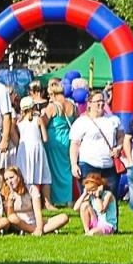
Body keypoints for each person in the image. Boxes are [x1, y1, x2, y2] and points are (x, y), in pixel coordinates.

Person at [68, 88, 122, 198]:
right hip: (89, 165)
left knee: (110, 199)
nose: (101, 104)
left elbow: (121, 136)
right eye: (97, 101)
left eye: (102, 101)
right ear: (89, 103)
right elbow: (75, 145)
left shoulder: (113, 119)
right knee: (90, 199)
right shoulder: (81, 122)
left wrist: (118, 148)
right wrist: (74, 164)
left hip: (109, 166)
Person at [0, 166, 68, 236]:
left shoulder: (31, 189)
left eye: (11, 177)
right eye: (6, 179)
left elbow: (38, 212)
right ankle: (36, 231)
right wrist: (10, 203)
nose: (9, 181)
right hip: (18, 224)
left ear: (18, 176)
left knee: (64, 217)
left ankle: (37, 231)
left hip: (34, 221)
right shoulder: (5, 193)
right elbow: (10, 216)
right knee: (13, 218)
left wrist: (39, 227)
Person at [11, 95, 50, 209]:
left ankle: (26, 199)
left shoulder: (19, 122)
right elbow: (45, 138)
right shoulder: (38, 120)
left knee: (25, 174)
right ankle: (47, 201)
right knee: (44, 174)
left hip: (24, 150)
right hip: (37, 148)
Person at [44, 77, 77, 205]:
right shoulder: (72, 106)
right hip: (68, 139)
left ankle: (56, 199)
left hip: (54, 139)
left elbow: (44, 122)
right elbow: (77, 121)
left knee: (53, 170)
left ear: (53, 93)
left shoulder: (53, 106)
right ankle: (67, 198)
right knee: (66, 169)